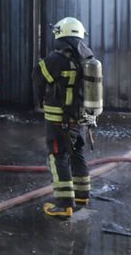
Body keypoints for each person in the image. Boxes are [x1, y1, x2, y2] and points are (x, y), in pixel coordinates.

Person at [33, 17, 96, 219]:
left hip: (59, 119)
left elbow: (38, 78)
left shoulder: (57, 59)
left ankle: (64, 205)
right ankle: (82, 196)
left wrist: (39, 100)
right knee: (78, 154)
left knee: (58, 157)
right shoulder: (88, 58)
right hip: (82, 119)